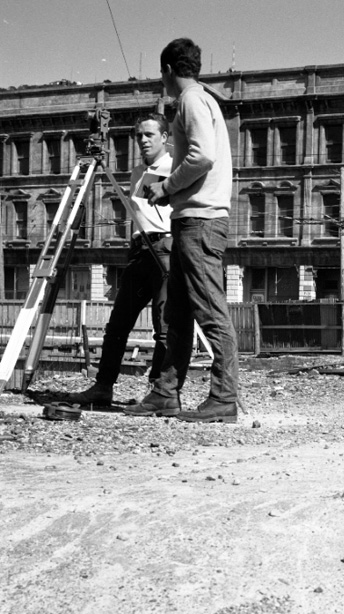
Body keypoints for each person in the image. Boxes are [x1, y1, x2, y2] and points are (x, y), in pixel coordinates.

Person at [125, 37, 239, 423]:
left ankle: (223, 399)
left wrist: (167, 186)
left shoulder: (190, 100)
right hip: (191, 218)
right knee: (176, 313)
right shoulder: (204, 100)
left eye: (162, 75)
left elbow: (201, 155)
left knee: (209, 310)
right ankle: (165, 392)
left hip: (200, 220)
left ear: (169, 71)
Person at [68, 113, 173, 406]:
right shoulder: (138, 172)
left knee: (163, 326)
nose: (143, 140)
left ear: (164, 137)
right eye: (139, 135)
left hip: (165, 248)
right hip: (139, 249)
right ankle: (103, 386)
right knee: (117, 324)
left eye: (149, 135)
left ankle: (159, 392)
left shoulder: (175, 167)